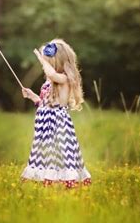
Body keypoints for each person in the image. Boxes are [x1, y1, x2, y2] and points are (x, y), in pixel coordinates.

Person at [20, 38, 92, 189]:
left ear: (56, 62)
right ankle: (48, 182)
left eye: (48, 62)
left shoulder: (64, 79)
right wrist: (32, 96)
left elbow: (52, 75)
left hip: (58, 123)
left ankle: (67, 184)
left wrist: (41, 59)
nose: (44, 67)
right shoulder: (49, 81)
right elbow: (45, 103)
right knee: (46, 154)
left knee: (61, 153)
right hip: (45, 125)